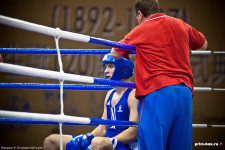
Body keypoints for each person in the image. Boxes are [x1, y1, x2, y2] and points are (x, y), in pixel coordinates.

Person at [111, 0, 208, 150]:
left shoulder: (142, 29)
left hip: (157, 92)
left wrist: (136, 45)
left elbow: (115, 53)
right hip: (184, 93)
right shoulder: (180, 24)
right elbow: (203, 44)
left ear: (139, 14)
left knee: (152, 145)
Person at [43, 53, 139, 150]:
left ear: (124, 68)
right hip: (104, 142)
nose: (106, 71)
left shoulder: (132, 95)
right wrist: (88, 137)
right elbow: (102, 128)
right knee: (51, 140)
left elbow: (133, 132)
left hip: (125, 145)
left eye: (110, 66)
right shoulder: (110, 94)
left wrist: (109, 141)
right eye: (105, 67)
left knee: (97, 142)